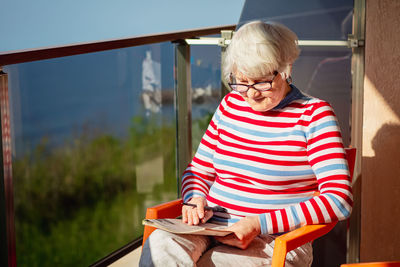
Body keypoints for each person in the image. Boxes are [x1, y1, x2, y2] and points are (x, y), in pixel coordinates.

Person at [139, 20, 353, 267]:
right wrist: (195, 197)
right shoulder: (230, 105)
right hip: (209, 227)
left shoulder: (314, 115)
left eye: (262, 81)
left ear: (286, 68)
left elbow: (339, 199)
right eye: (241, 81)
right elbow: (199, 171)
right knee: (159, 247)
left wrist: (259, 223)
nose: (251, 94)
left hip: (273, 239)